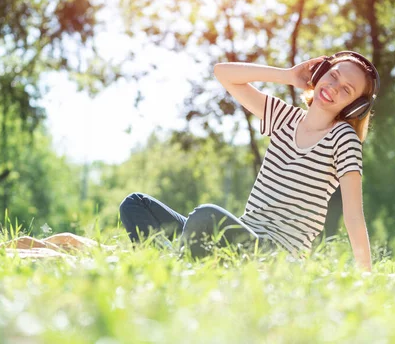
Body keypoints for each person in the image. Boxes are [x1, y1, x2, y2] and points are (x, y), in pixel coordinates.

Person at [119, 51, 380, 271]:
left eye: (346, 89)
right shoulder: (283, 117)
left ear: (355, 107)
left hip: (274, 256)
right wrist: (287, 75)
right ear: (319, 71)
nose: (333, 87)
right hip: (240, 236)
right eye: (332, 74)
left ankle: (172, 267)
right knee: (135, 204)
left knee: (204, 217)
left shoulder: (343, 137)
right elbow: (223, 73)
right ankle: (180, 264)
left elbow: (354, 214)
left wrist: (365, 277)